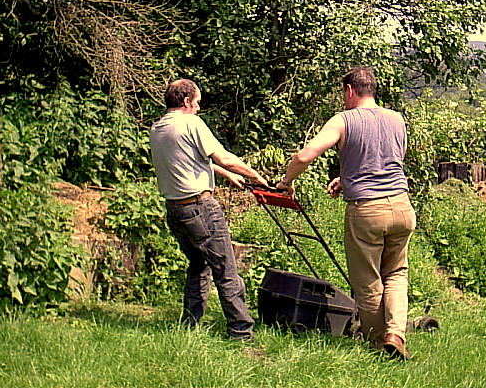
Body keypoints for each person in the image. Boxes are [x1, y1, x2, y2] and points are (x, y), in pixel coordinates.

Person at [276, 66, 416, 359]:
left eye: (343, 92)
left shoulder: (343, 120)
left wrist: (286, 182)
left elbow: (305, 155)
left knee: (368, 281)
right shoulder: (397, 119)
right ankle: (396, 333)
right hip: (402, 206)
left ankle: (379, 344)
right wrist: (347, 177)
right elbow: (389, 161)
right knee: (397, 274)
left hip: (367, 211)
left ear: (350, 91)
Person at [150, 79, 268, 341]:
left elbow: (188, 160)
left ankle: (190, 324)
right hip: (200, 209)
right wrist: (255, 176)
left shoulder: (158, 128)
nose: (198, 108)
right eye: (198, 103)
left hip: (176, 211)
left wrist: (224, 174)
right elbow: (222, 155)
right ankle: (241, 332)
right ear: (187, 101)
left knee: (198, 265)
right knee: (226, 269)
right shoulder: (191, 123)